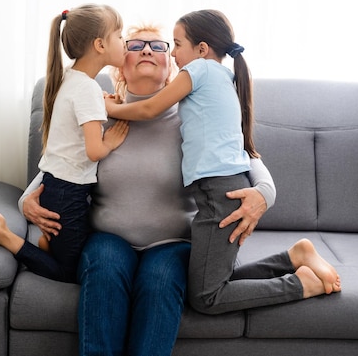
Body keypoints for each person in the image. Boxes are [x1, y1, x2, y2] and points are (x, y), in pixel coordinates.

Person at [21, 23, 272, 356]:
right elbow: (59, 164)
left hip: (173, 242)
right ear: (118, 64)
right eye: (136, 45)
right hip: (109, 238)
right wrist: (26, 198)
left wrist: (264, 194)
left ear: (172, 65)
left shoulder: (192, 115)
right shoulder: (97, 115)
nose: (147, 50)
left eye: (158, 46)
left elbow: (245, 157)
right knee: (106, 270)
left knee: (159, 282)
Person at [105, 10, 341, 316]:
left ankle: (300, 285)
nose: (174, 54)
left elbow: (150, 109)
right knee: (203, 283)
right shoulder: (222, 79)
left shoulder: (200, 72)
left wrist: (107, 108)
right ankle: (292, 258)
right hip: (219, 190)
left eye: (174, 45)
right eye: (136, 47)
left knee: (206, 297)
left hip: (219, 192)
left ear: (202, 50)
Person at [0, 4, 129, 283]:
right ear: (100, 44)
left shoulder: (68, 79)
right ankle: (2, 234)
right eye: (119, 35)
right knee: (68, 272)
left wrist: (102, 104)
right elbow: (94, 151)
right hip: (70, 193)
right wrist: (110, 140)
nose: (125, 42)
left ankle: (48, 246)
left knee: (71, 253)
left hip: (55, 186)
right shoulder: (89, 90)